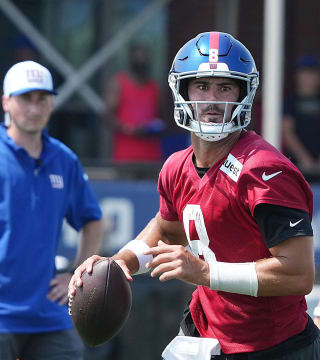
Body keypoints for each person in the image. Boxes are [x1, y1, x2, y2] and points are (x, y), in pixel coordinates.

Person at [69, 32, 320, 359]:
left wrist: (203, 272)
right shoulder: (176, 167)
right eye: (202, 86)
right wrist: (119, 263)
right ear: (182, 91)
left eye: (225, 87)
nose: (212, 99)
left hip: (271, 344)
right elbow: (167, 231)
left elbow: (298, 273)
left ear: (244, 94)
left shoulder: (264, 170)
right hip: (204, 333)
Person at [0, 60, 104, 360]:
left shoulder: (64, 159)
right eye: (25, 98)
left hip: (48, 315)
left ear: (52, 104)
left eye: (42, 98)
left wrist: (75, 275)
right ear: (6, 103)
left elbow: (92, 220)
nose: (34, 107)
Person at [104, 43, 164, 163]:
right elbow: (107, 116)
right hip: (125, 156)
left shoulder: (154, 87)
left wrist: (153, 128)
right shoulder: (119, 84)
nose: (141, 62)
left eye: (144, 59)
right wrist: (129, 130)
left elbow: (162, 117)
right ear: (131, 61)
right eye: (137, 59)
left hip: (151, 156)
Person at [283, 55, 320, 170]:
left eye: (313, 73)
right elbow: (286, 131)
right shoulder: (290, 101)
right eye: (305, 73)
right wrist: (305, 159)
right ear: (297, 76)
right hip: (297, 165)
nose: (309, 78)